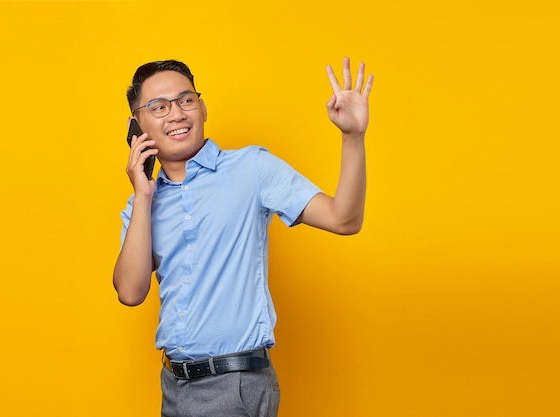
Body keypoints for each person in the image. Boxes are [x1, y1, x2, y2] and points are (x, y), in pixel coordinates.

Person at [113, 57, 373, 417]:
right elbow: (129, 292)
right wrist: (143, 195)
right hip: (174, 386)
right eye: (158, 107)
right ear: (136, 126)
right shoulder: (142, 203)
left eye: (186, 100)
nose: (176, 114)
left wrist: (353, 137)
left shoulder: (251, 168)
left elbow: (344, 219)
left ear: (202, 107)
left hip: (235, 385)